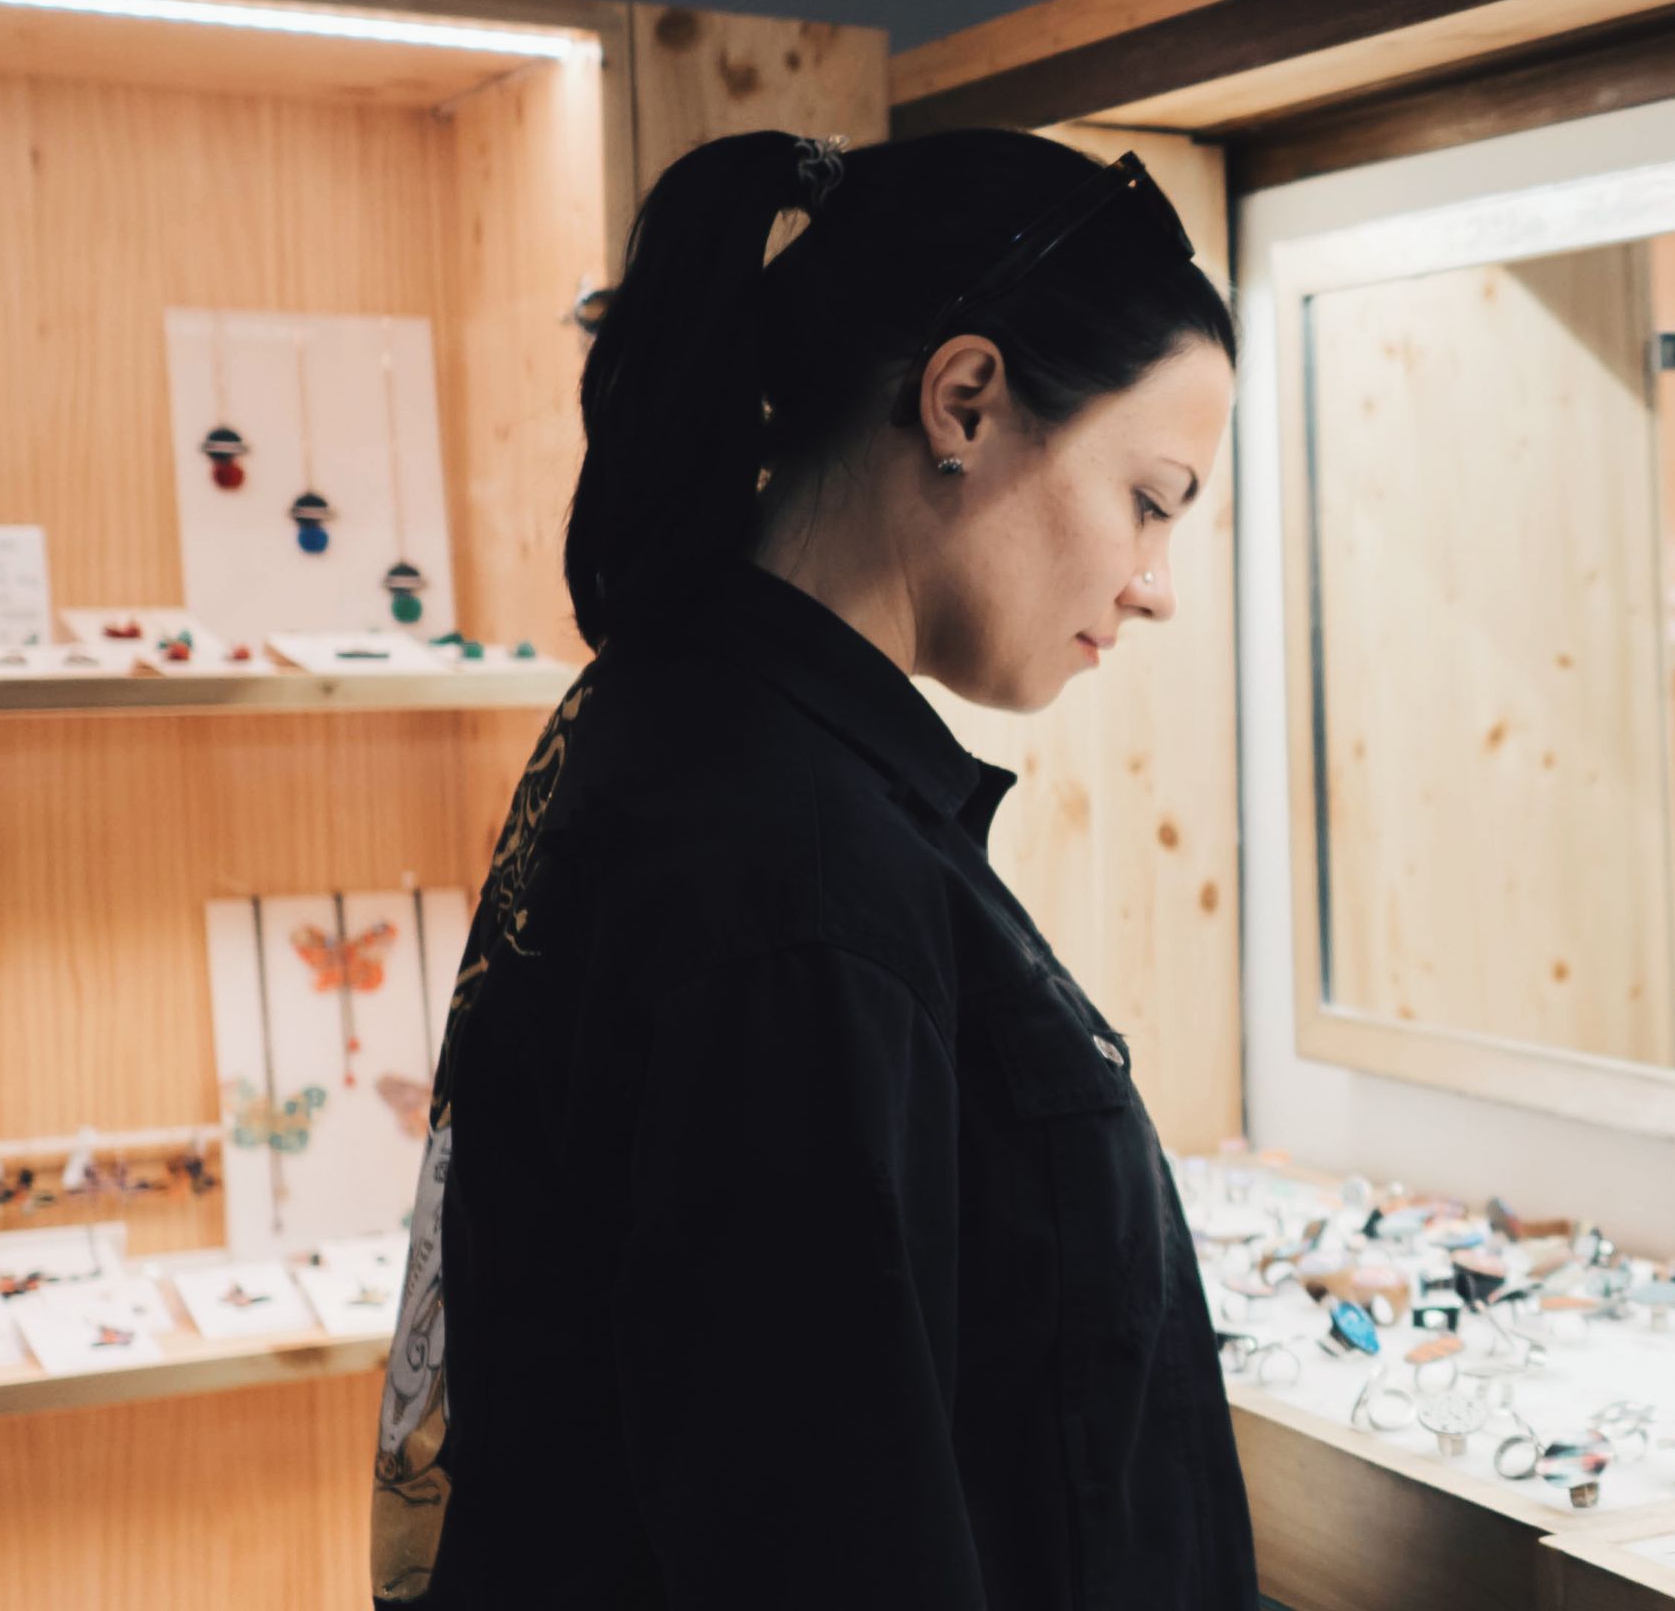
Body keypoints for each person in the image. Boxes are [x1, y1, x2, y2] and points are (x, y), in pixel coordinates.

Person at [370, 131, 1255, 1608]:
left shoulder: (686, 723)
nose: (1155, 584)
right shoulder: (792, 874)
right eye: (1152, 499)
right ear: (964, 399)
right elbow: (824, 1534)